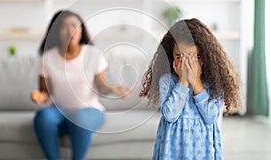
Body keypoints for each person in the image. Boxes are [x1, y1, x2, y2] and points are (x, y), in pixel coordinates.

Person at [31, 10, 130, 160]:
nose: (70, 30)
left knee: (79, 119)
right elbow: (45, 92)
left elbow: (101, 86)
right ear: (56, 31)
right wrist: (40, 96)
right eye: (64, 26)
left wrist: (112, 88)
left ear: (81, 30)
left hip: (89, 111)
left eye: (74, 25)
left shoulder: (93, 54)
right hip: (59, 112)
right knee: (43, 117)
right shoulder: (47, 58)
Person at [140, 18, 241, 160]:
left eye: (195, 57)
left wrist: (196, 82)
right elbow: (169, 115)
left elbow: (211, 116)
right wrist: (183, 82)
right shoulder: (167, 81)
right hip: (172, 148)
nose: (188, 64)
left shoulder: (213, 82)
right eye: (180, 57)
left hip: (202, 148)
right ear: (171, 57)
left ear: (205, 57)